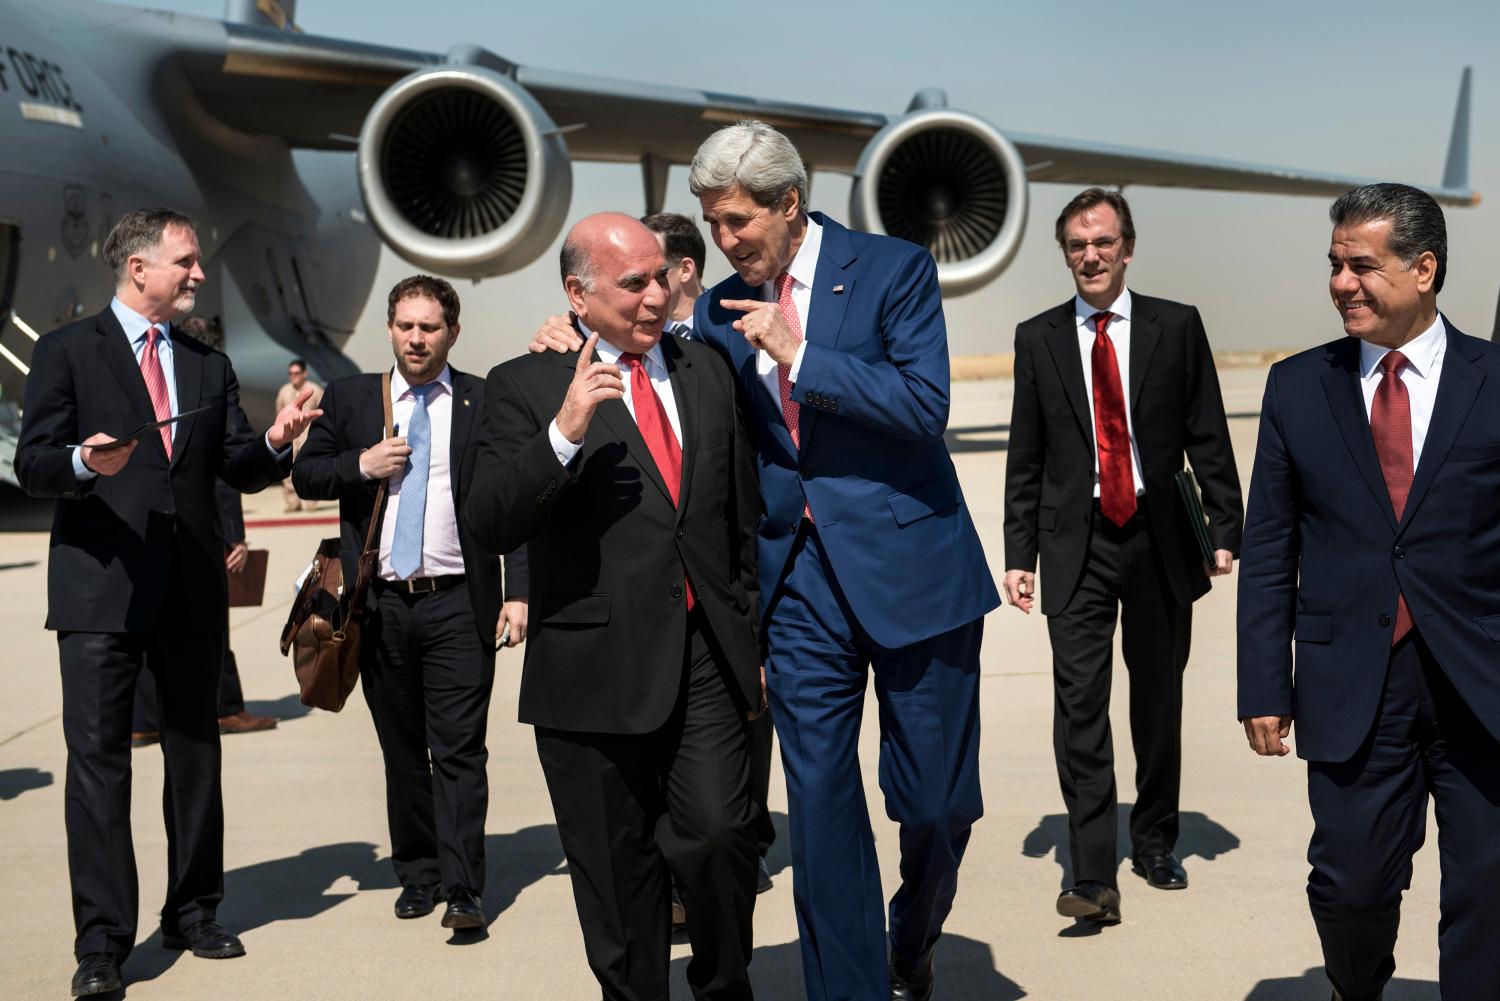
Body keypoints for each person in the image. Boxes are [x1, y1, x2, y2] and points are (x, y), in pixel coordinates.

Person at [531, 120, 997, 1001]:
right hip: (798, 587)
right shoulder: (712, 310)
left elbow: (923, 403)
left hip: (912, 574)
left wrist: (802, 354)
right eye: (712, 223)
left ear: (790, 203)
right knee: (820, 811)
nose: (722, 240)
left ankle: (913, 933)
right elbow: (660, 375)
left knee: (937, 804)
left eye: (737, 220)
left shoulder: (893, 269)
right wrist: (573, 330)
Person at [14, 207, 320, 997]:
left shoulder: (207, 363)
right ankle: (102, 942)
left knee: (194, 754)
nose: (198, 274)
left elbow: (236, 465)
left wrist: (278, 439)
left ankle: (194, 911)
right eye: (186, 261)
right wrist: (83, 460)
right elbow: (32, 463)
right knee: (99, 766)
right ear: (138, 266)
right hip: (98, 592)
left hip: (189, 589)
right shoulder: (65, 351)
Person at [466, 213, 763, 1000]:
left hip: (704, 653)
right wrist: (562, 433)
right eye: (634, 283)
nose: (657, 295)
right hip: (590, 675)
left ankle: (724, 986)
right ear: (578, 294)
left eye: (661, 276)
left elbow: (738, 516)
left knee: (720, 834)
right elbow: (490, 520)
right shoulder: (524, 384)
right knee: (617, 882)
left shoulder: (705, 371)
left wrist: (752, 636)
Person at [1238, 183, 1500, 1001]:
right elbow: (1270, 546)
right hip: (1353, 679)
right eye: (1335, 265)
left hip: (1481, 681)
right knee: (1350, 886)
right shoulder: (1296, 387)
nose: (1342, 283)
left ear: (1424, 269)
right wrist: (1263, 685)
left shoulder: (1493, 379)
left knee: (1489, 889)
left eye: (1362, 265)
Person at [1002, 188, 1242, 926]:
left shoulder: (1177, 325)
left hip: (1157, 536)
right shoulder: (1038, 337)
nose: (1091, 256)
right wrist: (1018, 553)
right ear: (1065, 254)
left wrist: (1225, 525)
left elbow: (1207, 431)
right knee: (1079, 706)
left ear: (1128, 249)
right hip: (1074, 543)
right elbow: (1026, 454)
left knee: (1158, 696)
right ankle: (1091, 870)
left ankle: (1156, 840)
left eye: (1103, 242)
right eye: (1077, 245)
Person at [292, 275, 528, 932]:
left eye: (429, 327)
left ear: (452, 332)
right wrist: (360, 465)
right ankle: (419, 873)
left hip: (458, 601)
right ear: (391, 329)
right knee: (402, 751)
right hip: (380, 606)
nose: (416, 338)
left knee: (459, 750)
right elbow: (306, 473)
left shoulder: (483, 399)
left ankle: (464, 888)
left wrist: (518, 590)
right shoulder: (350, 397)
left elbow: (512, 497)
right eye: (405, 326)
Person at [644, 209, 775, 909]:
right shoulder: (632, 348)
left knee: (749, 706)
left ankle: (746, 838)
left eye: (651, 271)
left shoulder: (736, 325)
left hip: (743, 551)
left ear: (683, 270)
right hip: (667, 575)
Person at [131, 477, 278, 745]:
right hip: (195, 528)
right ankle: (226, 708)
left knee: (148, 625)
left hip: (144, 526)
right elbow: (224, 475)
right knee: (211, 625)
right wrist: (234, 534)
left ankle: (144, 719)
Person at [642, 211, 707, 340]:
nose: (636, 272)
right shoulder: (639, 335)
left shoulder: (733, 321)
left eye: (653, 268)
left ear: (685, 270)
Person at [275, 357, 323, 511]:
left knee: (310, 469)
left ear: (304, 374)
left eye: (296, 373)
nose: (293, 376)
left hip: (308, 436)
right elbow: (279, 411)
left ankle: (311, 501)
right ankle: (293, 502)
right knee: (287, 471)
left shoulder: (315, 390)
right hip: (290, 437)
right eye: (291, 373)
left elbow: (323, 412)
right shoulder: (284, 391)